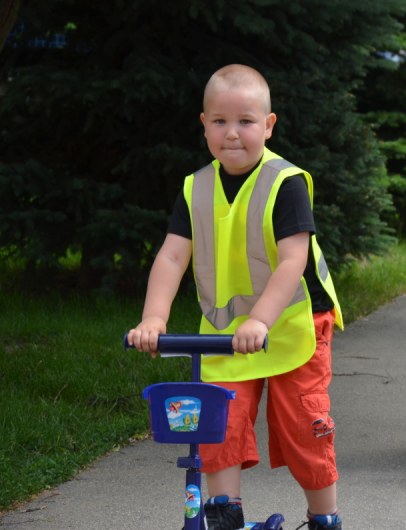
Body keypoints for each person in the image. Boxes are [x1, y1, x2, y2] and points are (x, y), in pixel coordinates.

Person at [127, 64, 344, 530]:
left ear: (268, 125)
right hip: (226, 331)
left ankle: (324, 517)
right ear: (203, 124)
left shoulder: (285, 183)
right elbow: (172, 256)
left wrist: (261, 320)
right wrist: (154, 318)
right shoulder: (196, 187)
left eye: (246, 121)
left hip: (294, 324)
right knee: (218, 422)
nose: (232, 133)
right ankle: (225, 512)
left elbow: (293, 260)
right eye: (220, 121)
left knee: (303, 425)